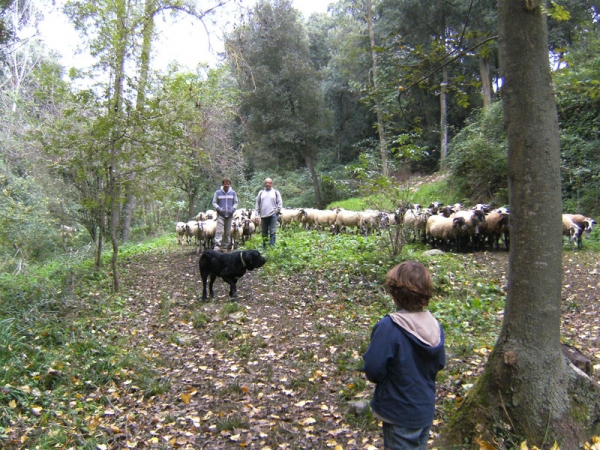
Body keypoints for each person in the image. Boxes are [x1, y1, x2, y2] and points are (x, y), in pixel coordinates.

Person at [362, 261, 445, 450]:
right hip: (424, 410)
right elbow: (439, 364)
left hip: (398, 410)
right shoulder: (434, 326)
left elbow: (373, 369)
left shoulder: (389, 327)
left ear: (395, 293)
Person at [212, 178, 238, 252]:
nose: (226, 185)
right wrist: (219, 209)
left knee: (227, 231)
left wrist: (233, 209)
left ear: (230, 184)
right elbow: (214, 202)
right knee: (219, 230)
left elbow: (236, 202)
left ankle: (224, 247)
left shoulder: (233, 193)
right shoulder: (218, 193)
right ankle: (217, 246)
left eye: (228, 183)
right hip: (221, 215)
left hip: (229, 215)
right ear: (223, 184)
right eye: (225, 183)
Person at [255, 178, 283, 247]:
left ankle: (272, 247)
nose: (267, 184)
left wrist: (276, 211)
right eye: (266, 183)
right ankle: (265, 246)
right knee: (264, 232)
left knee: (272, 232)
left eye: (269, 183)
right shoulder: (261, 193)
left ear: (271, 184)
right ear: (264, 184)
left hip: (273, 215)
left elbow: (280, 203)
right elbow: (257, 204)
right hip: (263, 215)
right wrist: (256, 215)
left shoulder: (275, 192)